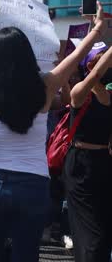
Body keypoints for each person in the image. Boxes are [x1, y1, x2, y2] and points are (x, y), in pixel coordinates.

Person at [0, 3, 107, 261]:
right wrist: (98, 29)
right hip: (34, 184)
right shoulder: (46, 85)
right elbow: (76, 58)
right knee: (26, 255)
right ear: (27, 55)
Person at [63, 42, 112, 262]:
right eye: (101, 58)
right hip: (80, 166)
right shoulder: (79, 91)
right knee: (92, 235)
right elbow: (94, 77)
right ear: (91, 64)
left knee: (104, 230)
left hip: (104, 163)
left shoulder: (109, 95)